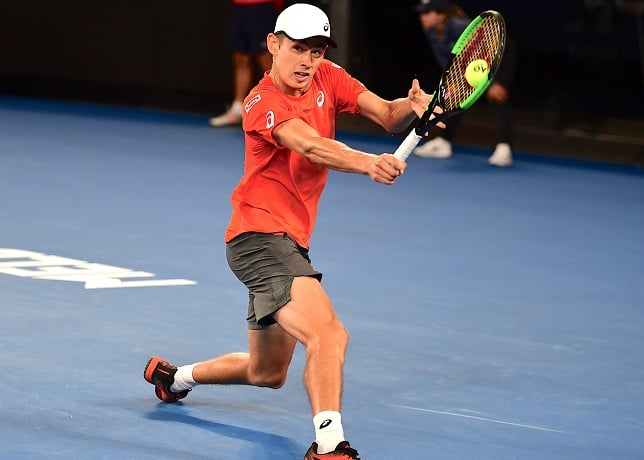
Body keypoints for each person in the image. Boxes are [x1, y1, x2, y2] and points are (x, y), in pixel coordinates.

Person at [145, 3, 434, 459]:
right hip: (259, 237)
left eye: (317, 51)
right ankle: (329, 444)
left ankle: (174, 377)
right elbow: (311, 145)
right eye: (299, 49)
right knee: (329, 335)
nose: (308, 61)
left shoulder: (327, 76)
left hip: (288, 241)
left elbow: (386, 114)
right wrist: (369, 163)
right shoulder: (262, 102)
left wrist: (414, 108)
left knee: (268, 373)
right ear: (273, 44)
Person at [412, 0, 517, 167]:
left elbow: (486, 50)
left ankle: (504, 148)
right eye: (421, 13)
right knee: (455, 97)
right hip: (470, 64)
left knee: (497, 97)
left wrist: (491, 82)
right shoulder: (431, 32)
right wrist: (452, 80)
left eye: (427, 12)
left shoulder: (458, 26)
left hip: (498, 55)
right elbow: (446, 59)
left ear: (441, 15)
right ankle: (443, 142)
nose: (422, 17)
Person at [209, 0, 285, 127]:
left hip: (262, 6)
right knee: (240, 58)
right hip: (239, 6)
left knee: (266, 59)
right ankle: (237, 109)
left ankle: (279, 110)